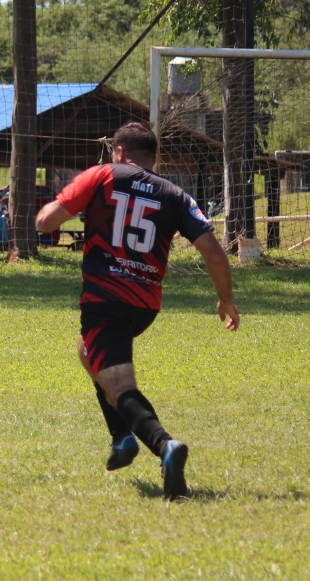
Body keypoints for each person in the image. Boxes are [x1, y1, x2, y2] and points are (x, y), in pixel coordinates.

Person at [35, 121, 239, 500]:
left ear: (119, 152)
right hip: (145, 304)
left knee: (119, 384)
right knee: (86, 350)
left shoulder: (101, 175)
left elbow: (48, 222)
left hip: (105, 300)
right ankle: (121, 437)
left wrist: (47, 210)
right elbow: (214, 253)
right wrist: (225, 299)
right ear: (154, 158)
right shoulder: (176, 195)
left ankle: (164, 445)